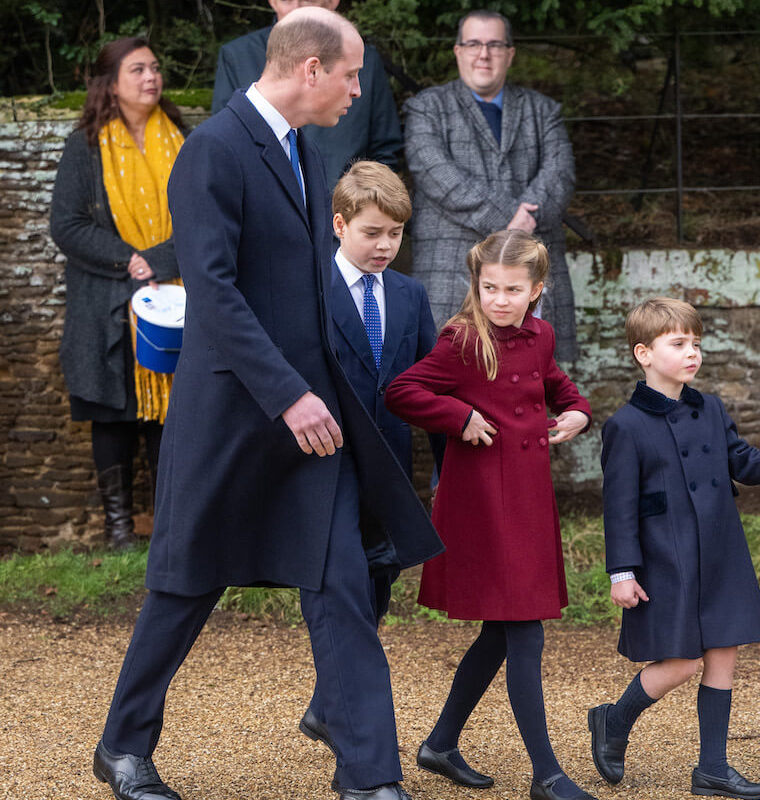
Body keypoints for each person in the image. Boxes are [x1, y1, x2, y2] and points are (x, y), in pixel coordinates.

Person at [91, 10, 441, 800]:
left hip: (312, 425)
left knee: (343, 585)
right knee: (184, 588)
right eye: (351, 74)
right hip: (231, 422)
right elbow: (213, 295)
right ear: (310, 69)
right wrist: (288, 396)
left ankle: (369, 777)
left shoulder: (307, 154)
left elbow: (311, 292)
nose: (360, 89)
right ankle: (121, 747)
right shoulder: (213, 150)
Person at [588, 297, 760, 800]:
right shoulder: (624, 426)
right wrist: (622, 573)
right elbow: (618, 507)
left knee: (723, 653)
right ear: (644, 353)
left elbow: (743, 463)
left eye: (696, 343)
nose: (692, 353)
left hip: (720, 551)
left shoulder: (711, 408)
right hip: (665, 561)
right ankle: (614, 720)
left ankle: (713, 769)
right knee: (679, 663)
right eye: (678, 344)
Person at [385, 229, 594, 800]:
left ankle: (440, 744)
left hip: (527, 498)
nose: (499, 300)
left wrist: (578, 413)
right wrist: (459, 417)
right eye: (489, 288)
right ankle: (547, 774)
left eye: (512, 290)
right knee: (524, 632)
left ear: (536, 290)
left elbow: (558, 387)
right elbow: (402, 391)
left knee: (502, 633)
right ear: (475, 285)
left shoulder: (542, 334)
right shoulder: (460, 338)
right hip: (482, 503)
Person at [298, 160, 446, 748]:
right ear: (339, 224)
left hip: (390, 468)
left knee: (380, 582)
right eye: (372, 232)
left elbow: (430, 386)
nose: (386, 245)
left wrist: (443, 466)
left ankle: (323, 708)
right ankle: (346, 717)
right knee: (346, 592)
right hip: (328, 465)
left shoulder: (410, 295)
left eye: (396, 233)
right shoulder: (310, 290)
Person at [50, 37, 186, 550]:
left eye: (155, 67)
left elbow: (203, 216)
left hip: (173, 297)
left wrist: (160, 260)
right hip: (104, 301)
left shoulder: (184, 140)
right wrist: (127, 258)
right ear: (110, 83)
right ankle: (119, 531)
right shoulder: (84, 145)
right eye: (138, 69)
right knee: (112, 412)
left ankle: (168, 527)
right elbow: (67, 224)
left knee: (168, 414)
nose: (151, 77)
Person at [403, 9, 578, 361]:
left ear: (510, 54)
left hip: (532, 276)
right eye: (473, 44)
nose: (483, 53)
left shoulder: (543, 110)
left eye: (495, 45)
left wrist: (524, 218)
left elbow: (560, 175)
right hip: (452, 272)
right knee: (454, 391)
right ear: (458, 51)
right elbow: (437, 174)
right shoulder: (426, 109)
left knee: (534, 386)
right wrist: (513, 219)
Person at [211, 0, 404, 187]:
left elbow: (385, 149)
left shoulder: (364, 59)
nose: (296, 9)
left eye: (308, 0)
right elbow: (228, 141)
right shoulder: (238, 56)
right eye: (287, 0)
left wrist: (359, 206)